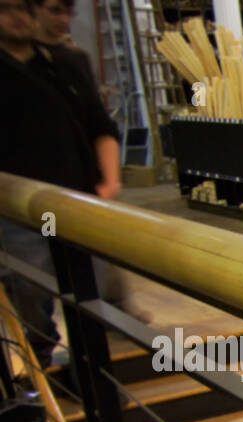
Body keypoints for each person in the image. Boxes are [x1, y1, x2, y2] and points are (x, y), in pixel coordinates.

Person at [0, 0, 120, 369]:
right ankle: (42, 364)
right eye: (7, 8)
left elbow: (101, 127)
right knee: (30, 292)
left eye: (24, 7)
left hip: (74, 205)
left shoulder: (65, 64)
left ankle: (91, 370)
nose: (19, 17)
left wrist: (109, 182)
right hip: (18, 211)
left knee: (90, 294)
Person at [31, 0, 94, 86]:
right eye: (55, 11)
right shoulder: (26, 55)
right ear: (36, 9)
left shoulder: (79, 58)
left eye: (69, 12)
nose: (64, 20)